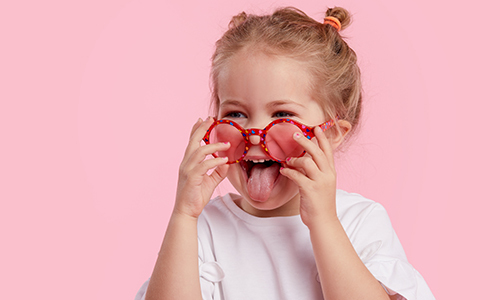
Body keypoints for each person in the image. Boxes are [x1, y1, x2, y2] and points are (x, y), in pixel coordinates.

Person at [135, 6, 435, 300]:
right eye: (236, 114)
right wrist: (183, 216)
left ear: (330, 134)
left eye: (281, 114)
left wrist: (324, 222)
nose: (253, 133)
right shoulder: (204, 227)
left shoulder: (360, 221)